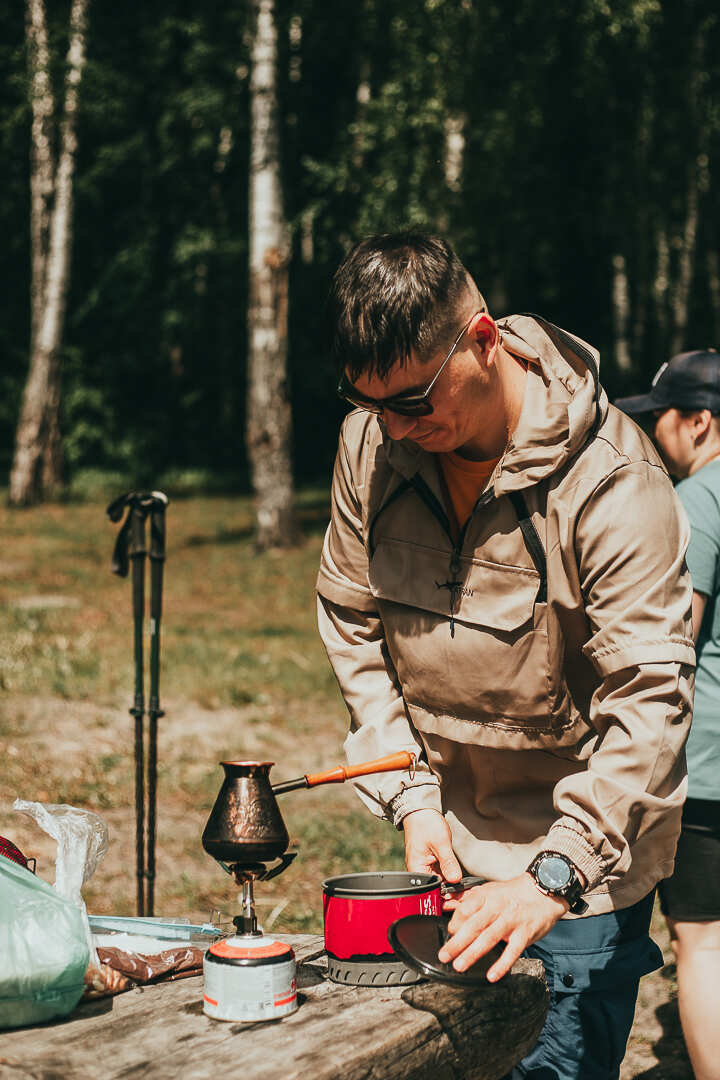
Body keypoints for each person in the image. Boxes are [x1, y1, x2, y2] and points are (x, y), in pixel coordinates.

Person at [316, 231, 695, 1080]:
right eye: (368, 402)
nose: (394, 428)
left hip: (580, 869)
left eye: (413, 400)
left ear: (483, 340)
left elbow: (651, 702)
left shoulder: (614, 483)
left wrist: (553, 875)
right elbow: (351, 622)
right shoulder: (370, 444)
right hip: (446, 852)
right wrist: (411, 799)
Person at [617, 351, 720, 1080]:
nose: (655, 434)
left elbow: (675, 637)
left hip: (709, 767)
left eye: (661, 419)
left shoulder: (699, 501)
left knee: (704, 942)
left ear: (700, 422)